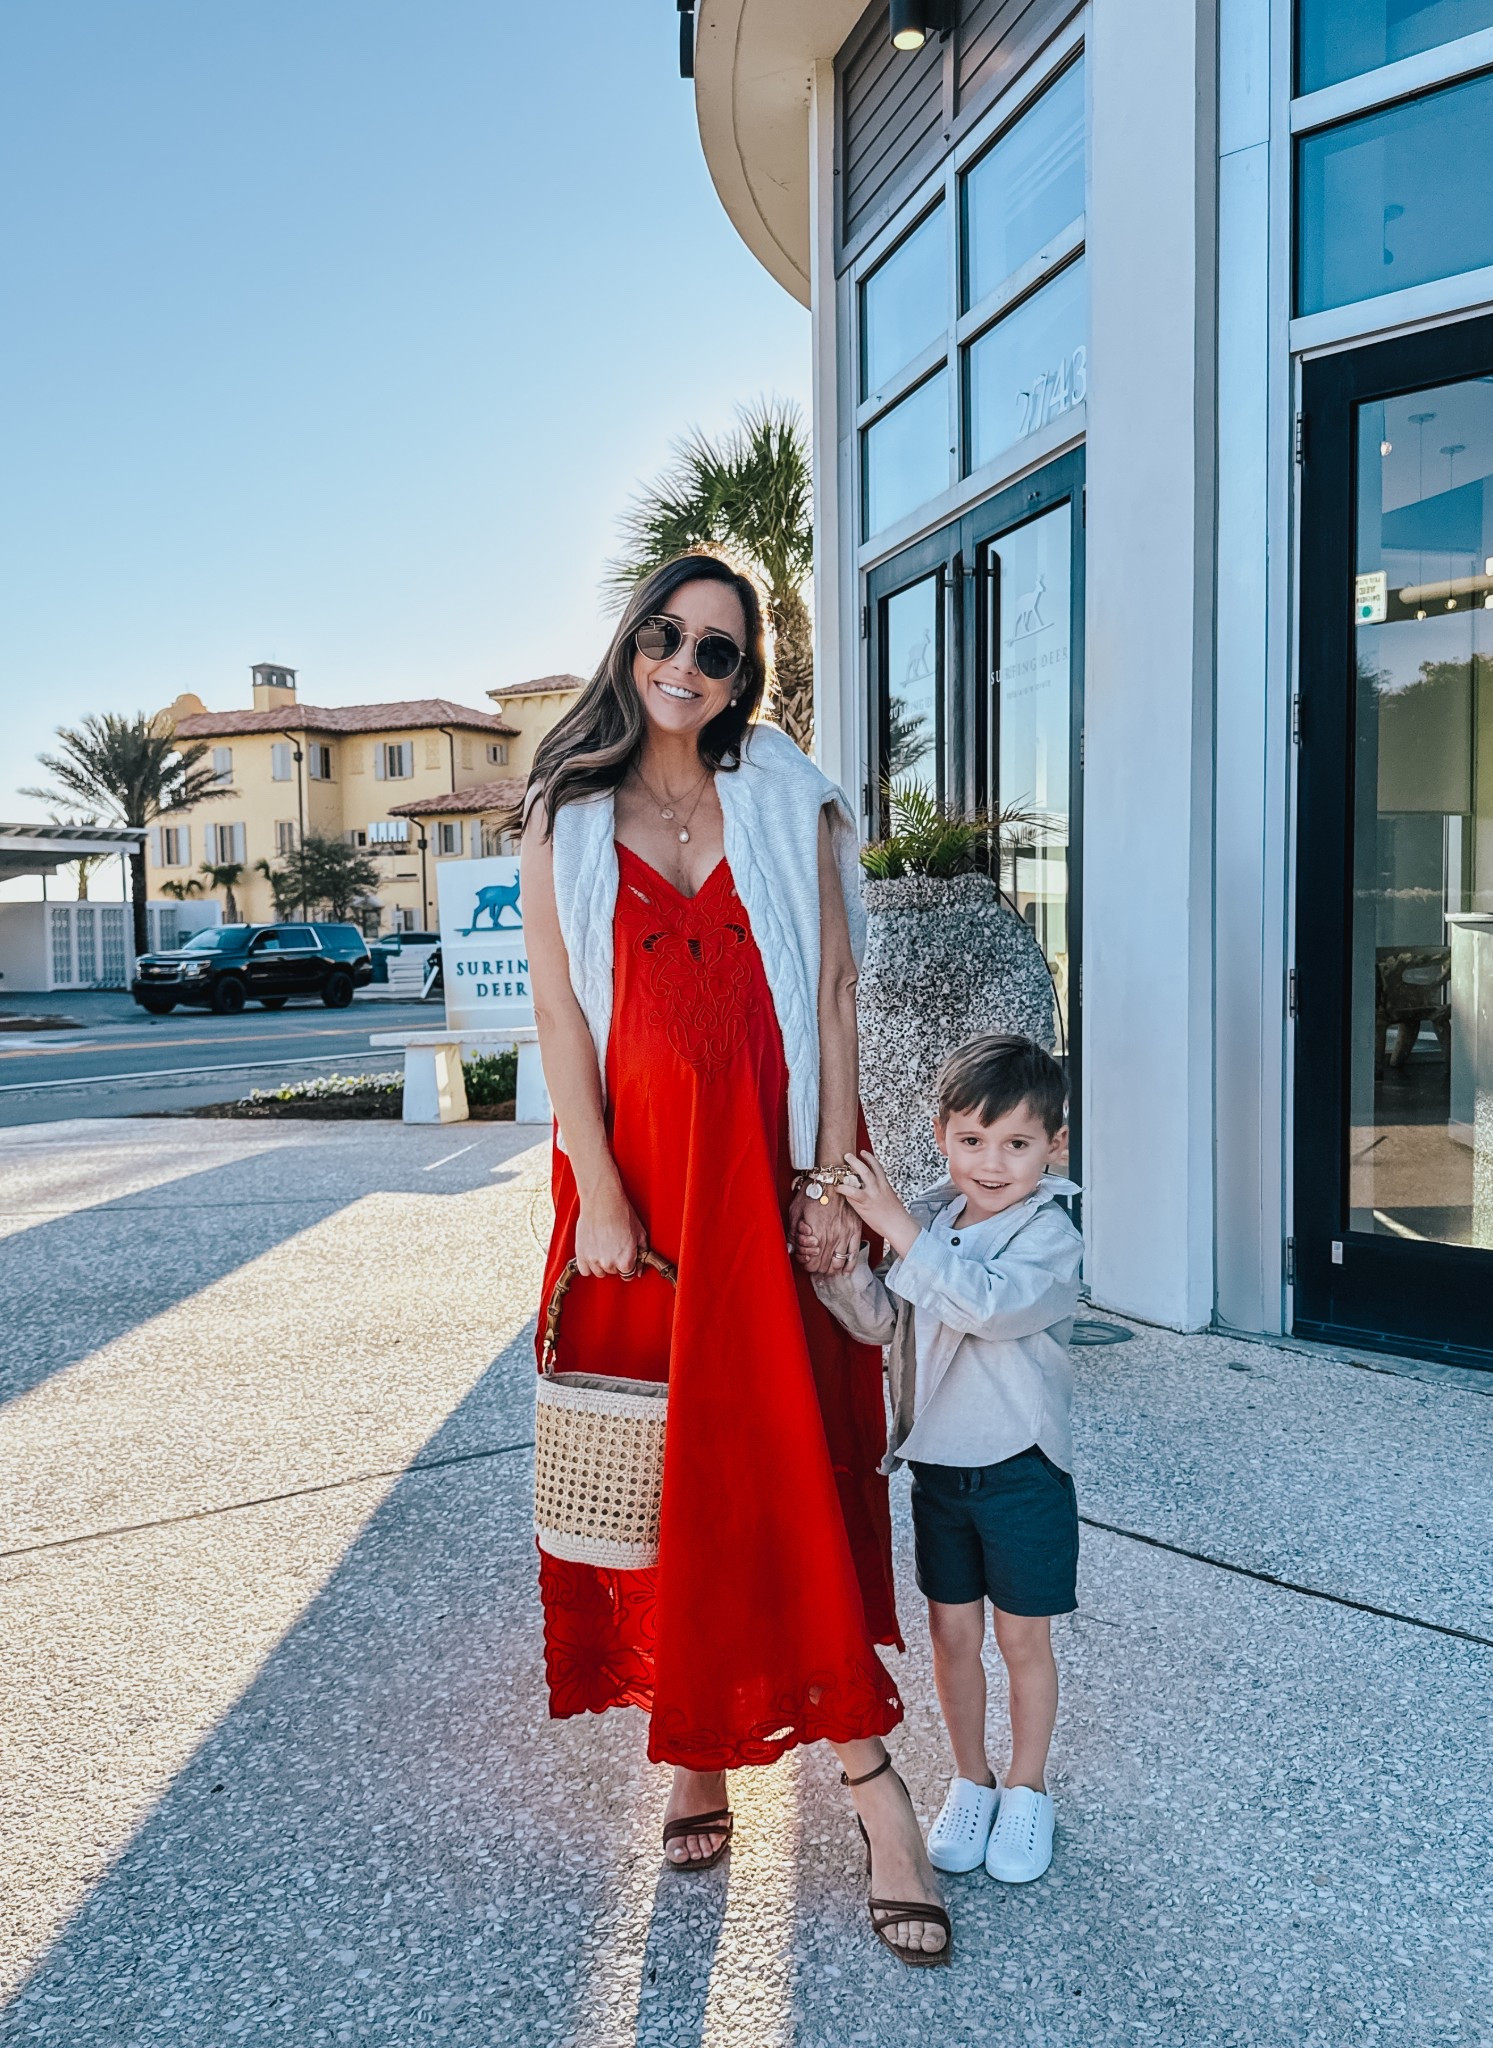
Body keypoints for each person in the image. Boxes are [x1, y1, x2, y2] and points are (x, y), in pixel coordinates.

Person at [520, 549, 951, 1965]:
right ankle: (689, 1742)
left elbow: (830, 994)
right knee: (661, 1475)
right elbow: (565, 1028)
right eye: (666, 636)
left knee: (777, 1474)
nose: (684, 669)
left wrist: (832, 1176)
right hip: (641, 1193)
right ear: (630, 641)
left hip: (769, 1188)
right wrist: (597, 1196)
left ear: (741, 677)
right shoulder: (566, 813)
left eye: (716, 652)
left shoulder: (785, 795)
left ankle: (875, 1793)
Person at [805, 1033, 1082, 1888]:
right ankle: (972, 1779)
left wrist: (894, 1228)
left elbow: (987, 1308)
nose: (990, 1163)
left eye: (1015, 1144)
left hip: (1022, 1470)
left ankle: (1028, 1789)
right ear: (940, 1134)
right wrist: (845, 1271)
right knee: (951, 1636)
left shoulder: (1050, 1234)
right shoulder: (927, 1217)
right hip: (939, 1471)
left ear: (1054, 1146)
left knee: (1020, 1639)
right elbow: (892, 1326)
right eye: (971, 1141)